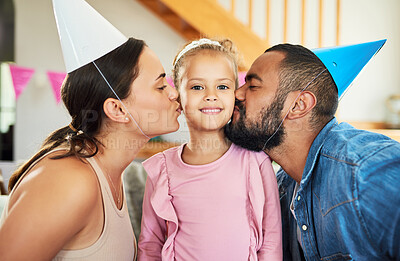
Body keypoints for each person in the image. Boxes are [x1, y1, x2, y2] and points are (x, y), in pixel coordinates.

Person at [0, 0, 181, 260]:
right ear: (117, 110)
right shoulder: (71, 180)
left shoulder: (109, 173)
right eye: (161, 86)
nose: (174, 93)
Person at [225, 41, 400, 260]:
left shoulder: (366, 171)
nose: (236, 94)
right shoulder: (280, 188)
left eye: (252, 86)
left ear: (299, 105)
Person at [138, 38, 282, 261]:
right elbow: (150, 244)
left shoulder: (256, 162)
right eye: (197, 87)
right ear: (178, 97)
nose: (211, 95)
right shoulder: (162, 169)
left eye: (222, 86)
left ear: (235, 94)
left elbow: (271, 240)